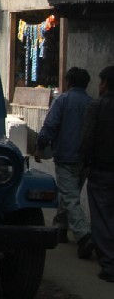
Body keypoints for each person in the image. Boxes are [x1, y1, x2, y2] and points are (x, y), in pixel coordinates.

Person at [35, 67, 93, 252]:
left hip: (66, 157)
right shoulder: (91, 103)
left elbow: (50, 125)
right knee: (69, 194)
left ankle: (83, 235)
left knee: (70, 197)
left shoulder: (63, 101)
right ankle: (60, 227)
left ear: (68, 82)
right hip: (84, 159)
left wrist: (40, 146)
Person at [81, 65, 114, 282]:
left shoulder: (97, 107)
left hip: (102, 171)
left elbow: (87, 140)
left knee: (101, 218)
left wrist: (85, 164)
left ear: (106, 85)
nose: (99, 87)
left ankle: (109, 265)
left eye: (101, 82)